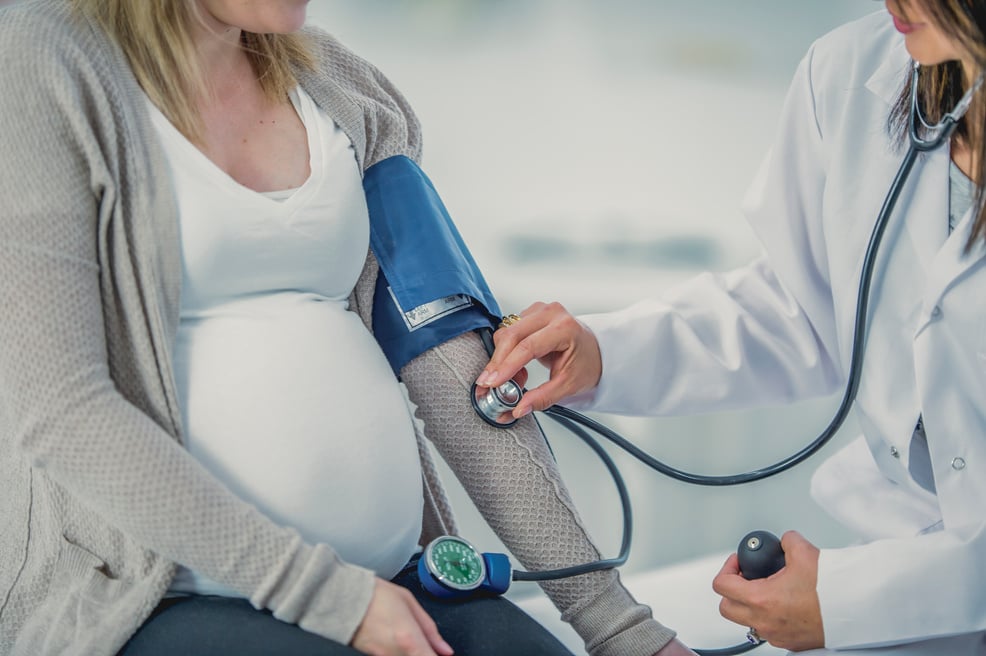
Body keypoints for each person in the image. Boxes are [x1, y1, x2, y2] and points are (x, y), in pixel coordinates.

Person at [0, 1, 698, 655]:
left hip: (391, 582)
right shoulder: (47, 66)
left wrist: (617, 625)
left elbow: (460, 375)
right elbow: (61, 411)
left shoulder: (341, 84)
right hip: (160, 595)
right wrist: (330, 597)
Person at [479, 1, 986, 655]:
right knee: (540, 639)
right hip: (905, 569)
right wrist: (609, 355)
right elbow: (806, 306)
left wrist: (860, 602)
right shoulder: (855, 72)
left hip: (926, 588)